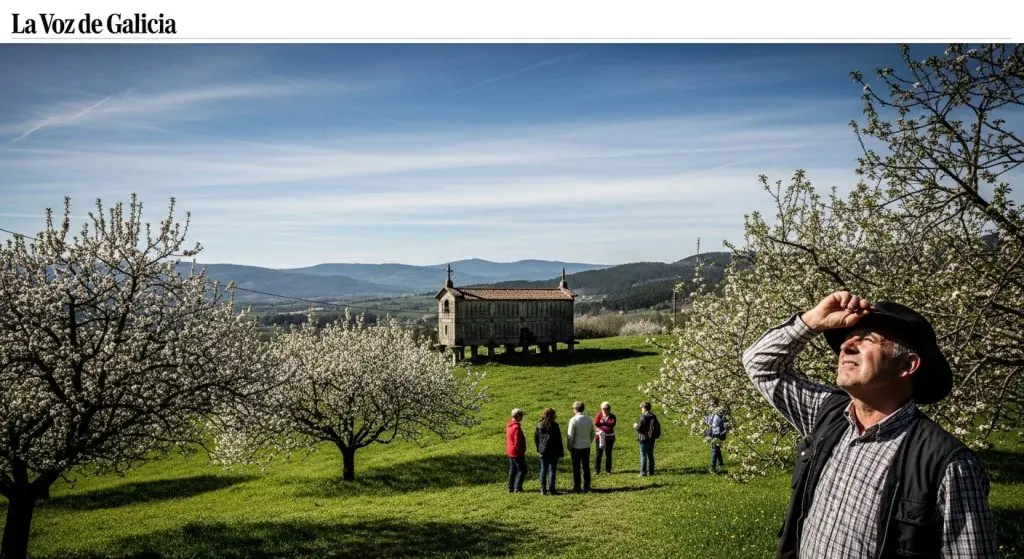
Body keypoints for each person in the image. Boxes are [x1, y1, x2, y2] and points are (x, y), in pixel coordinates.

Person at [743, 290, 996, 558]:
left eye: (867, 339)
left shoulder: (948, 464)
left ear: (907, 365)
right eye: (847, 338)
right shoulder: (828, 415)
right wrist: (814, 320)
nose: (845, 346)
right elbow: (760, 365)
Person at [534, 407, 565, 495]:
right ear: (552, 415)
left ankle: (543, 489)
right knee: (552, 470)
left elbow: (536, 438)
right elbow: (559, 440)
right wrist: (561, 452)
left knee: (543, 469)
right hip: (553, 451)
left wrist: (538, 448)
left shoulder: (539, 425)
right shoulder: (555, 425)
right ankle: (552, 489)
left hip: (543, 450)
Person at [566, 401, 595, 492]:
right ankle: (587, 485)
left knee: (576, 467)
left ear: (575, 409)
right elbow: (592, 433)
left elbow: (570, 435)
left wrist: (569, 446)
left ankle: (577, 486)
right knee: (586, 466)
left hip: (576, 447)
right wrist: (589, 441)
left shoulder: (573, 420)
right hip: (586, 446)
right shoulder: (588, 419)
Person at [633, 401, 660, 476]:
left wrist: (635, 426)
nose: (641, 409)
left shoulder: (643, 417)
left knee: (643, 455)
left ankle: (643, 472)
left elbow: (640, 428)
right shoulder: (653, 416)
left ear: (644, 408)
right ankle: (651, 472)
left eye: (642, 408)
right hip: (651, 438)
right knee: (650, 454)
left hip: (643, 438)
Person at [505, 408, 527, 493]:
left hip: (510, 450)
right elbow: (517, 441)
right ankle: (518, 487)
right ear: (517, 416)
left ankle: (510, 487)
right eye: (521, 415)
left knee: (513, 469)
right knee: (523, 469)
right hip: (517, 452)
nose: (522, 417)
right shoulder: (516, 427)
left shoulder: (509, 425)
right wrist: (521, 450)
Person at [704, 397, 727, 474]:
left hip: (718, 432)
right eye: (710, 404)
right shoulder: (708, 412)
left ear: (717, 404)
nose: (712, 405)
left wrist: (725, 431)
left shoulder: (721, 412)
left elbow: (726, 422)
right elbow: (706, 421)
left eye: (713, 404)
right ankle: (721, 463)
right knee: (716, 448)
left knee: (714, 449)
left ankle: (712, 467)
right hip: (710, 432)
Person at [593, 401, 617, 474]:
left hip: (609, 438)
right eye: (604, 408)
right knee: (598, 454)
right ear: (601, 409)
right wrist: (604, 425)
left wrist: (602, 424)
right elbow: (595, 423)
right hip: (599, 437)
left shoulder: (612, 416)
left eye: (608, 408)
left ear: (610, 408)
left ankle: (608, 470)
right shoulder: (599, 415)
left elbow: (612, 424)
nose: (606, 410)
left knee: (608, 454)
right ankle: (597, 470)